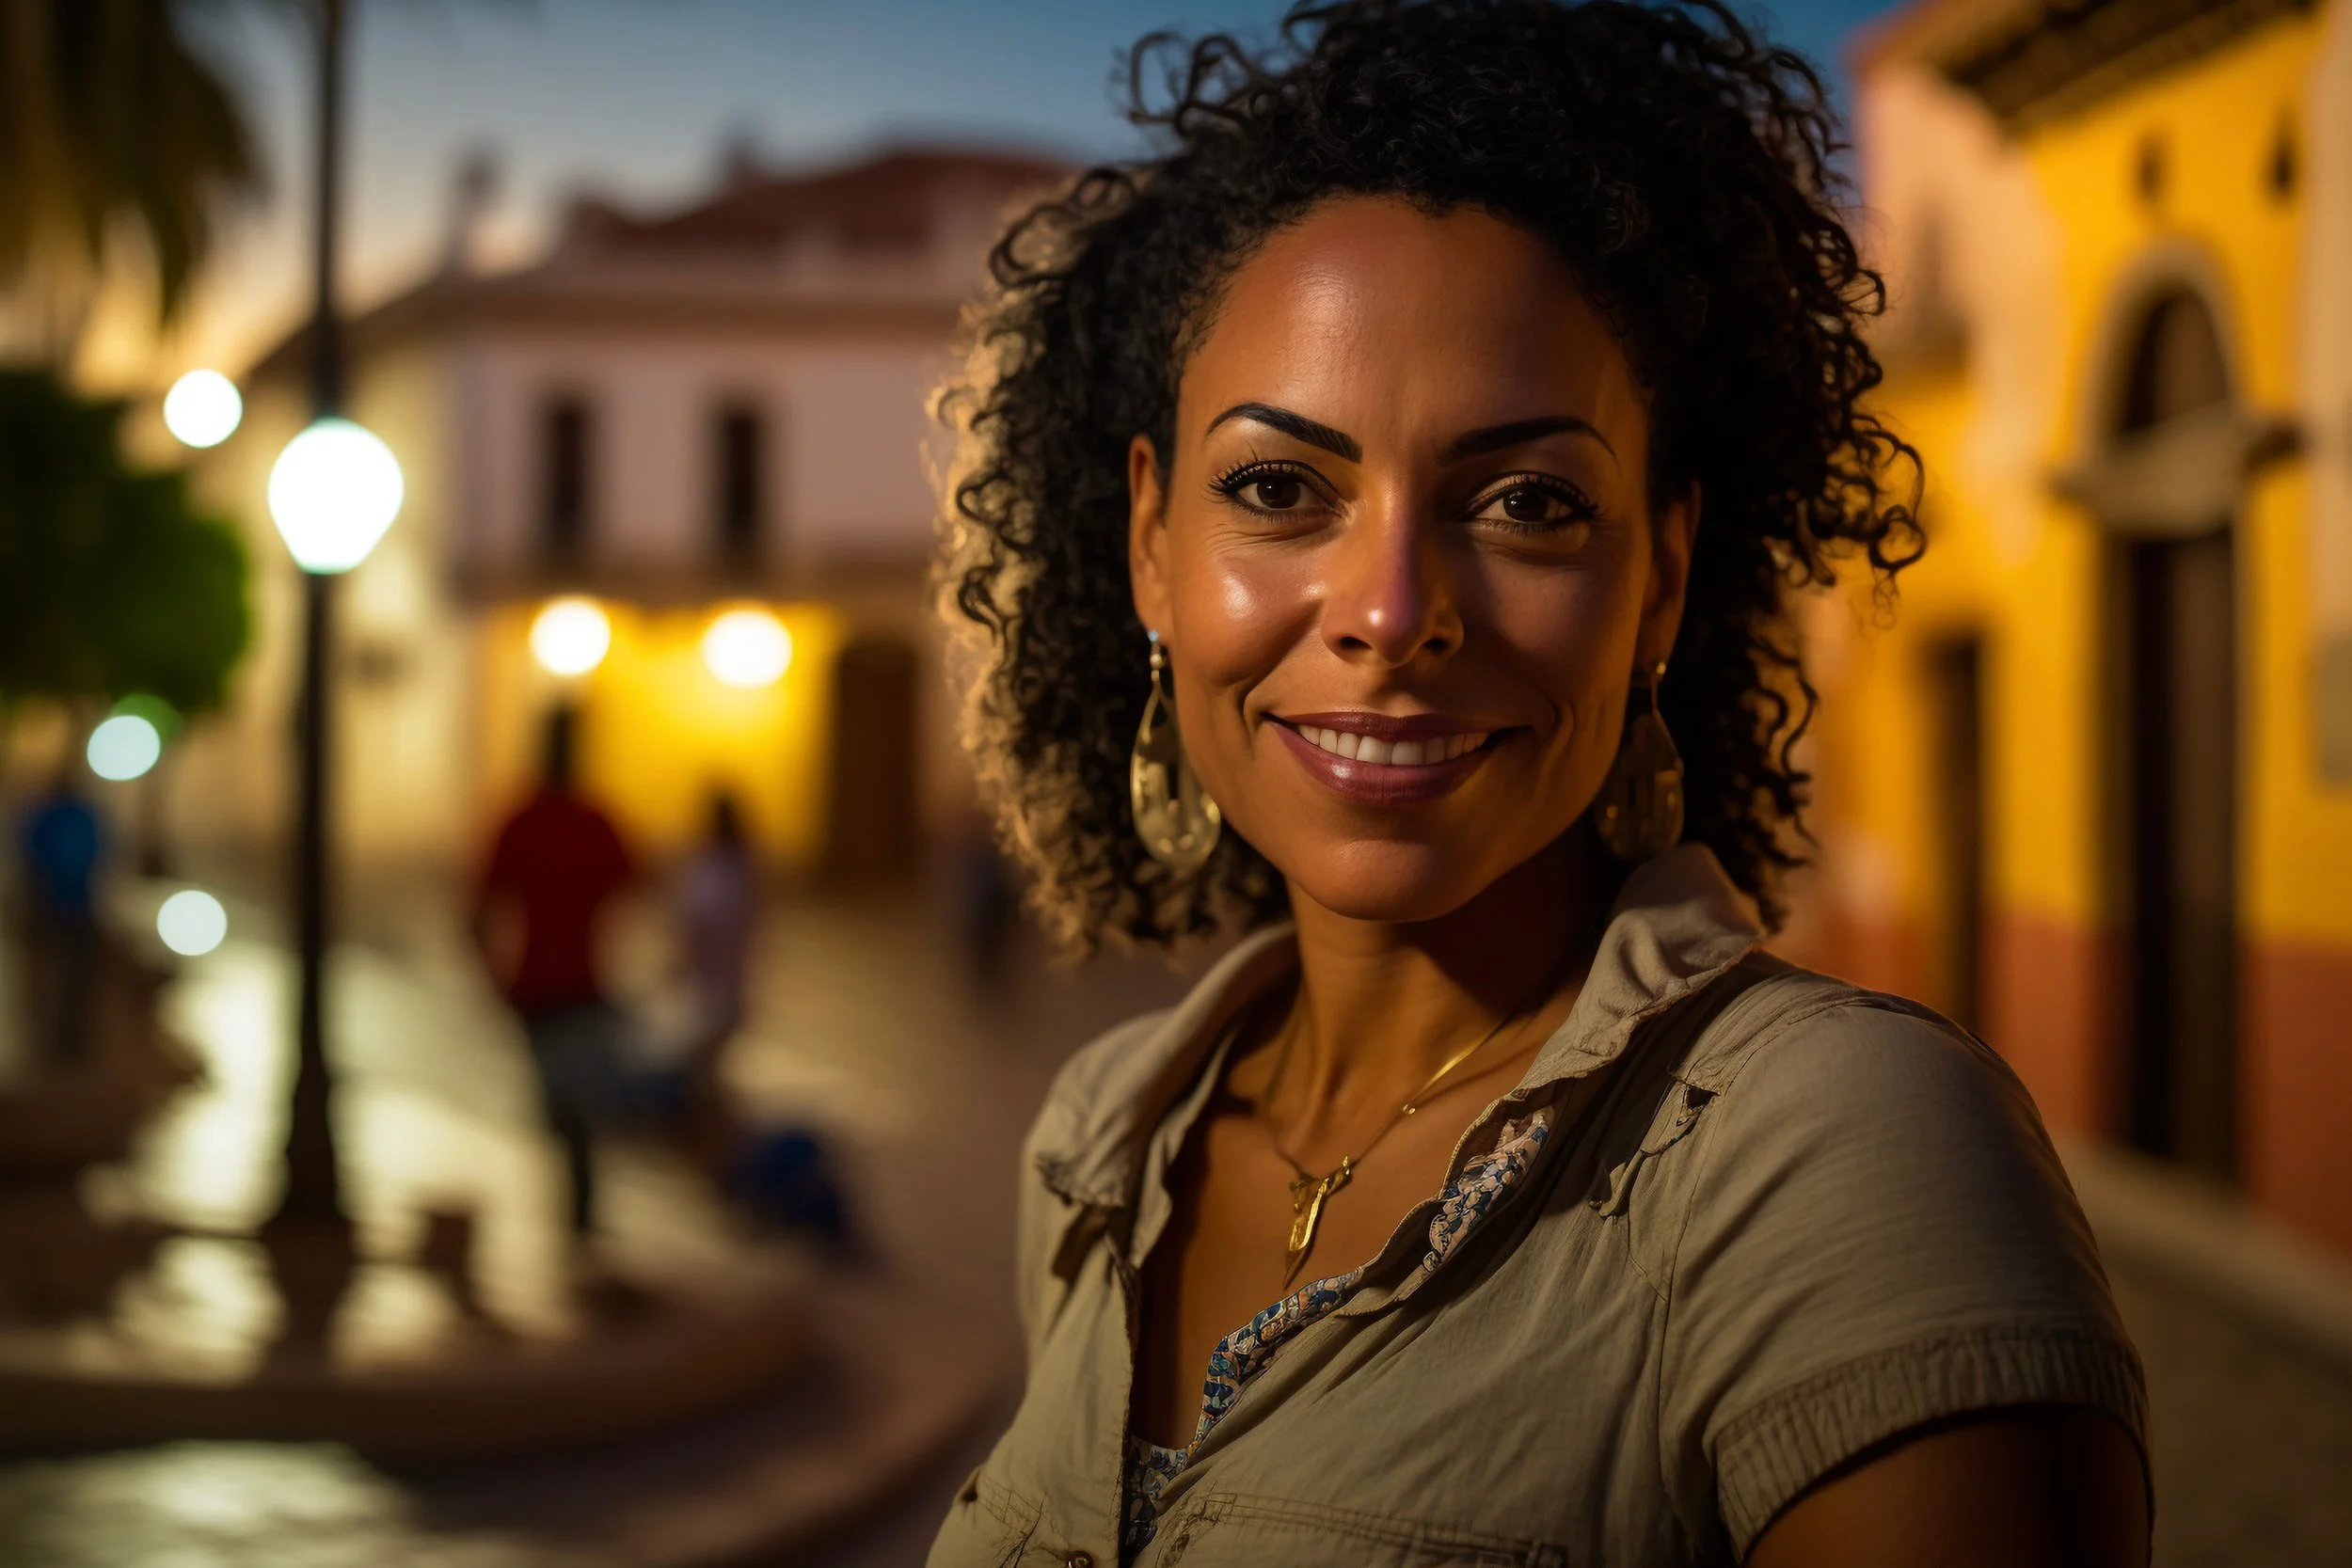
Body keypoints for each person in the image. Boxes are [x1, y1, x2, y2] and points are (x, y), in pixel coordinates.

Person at [924, 6, 2150, 1567]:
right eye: (1278, 487)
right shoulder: (1101, 1141)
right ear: (1153, 544)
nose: (1390, 606)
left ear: (1663, 577)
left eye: (1525, 501)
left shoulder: (1830, 1154)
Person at [472, 705, 634, 1240]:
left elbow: (479, 909)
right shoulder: (576, 820)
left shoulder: (537, 820)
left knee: (572, 1108)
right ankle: (578, 1219)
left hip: (561, 989)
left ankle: (578, 1219)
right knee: (572, 1108)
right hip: (559, 988)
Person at [671, 787, 757, 1164]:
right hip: (726, 985)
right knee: (707, 1074)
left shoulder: (715, 872)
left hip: (712, 989)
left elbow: (696, 928)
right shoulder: (742, 869)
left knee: (704, 1077)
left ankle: (722, 1151)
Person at [16, 763, 106, 1071]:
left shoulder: (47, 817)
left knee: (64, 972)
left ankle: (65, 1034)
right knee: (66, 972)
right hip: (66, 904)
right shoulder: (76, 817)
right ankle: (63, 1034)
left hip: (62, 904)